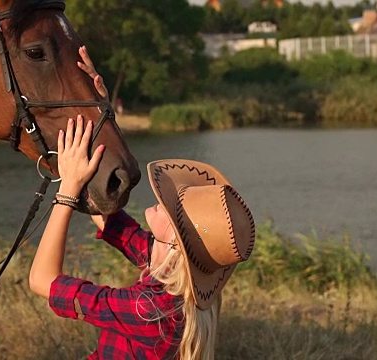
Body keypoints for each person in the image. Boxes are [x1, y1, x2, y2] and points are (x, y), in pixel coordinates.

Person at [28, 47, 256, 360]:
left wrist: (67, 188)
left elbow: (43, 281)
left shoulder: (149, 309)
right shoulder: (171, 275)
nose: (163, 199)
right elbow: (106, 213)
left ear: (175, 241)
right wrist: (100, 112)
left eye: (172, 207)